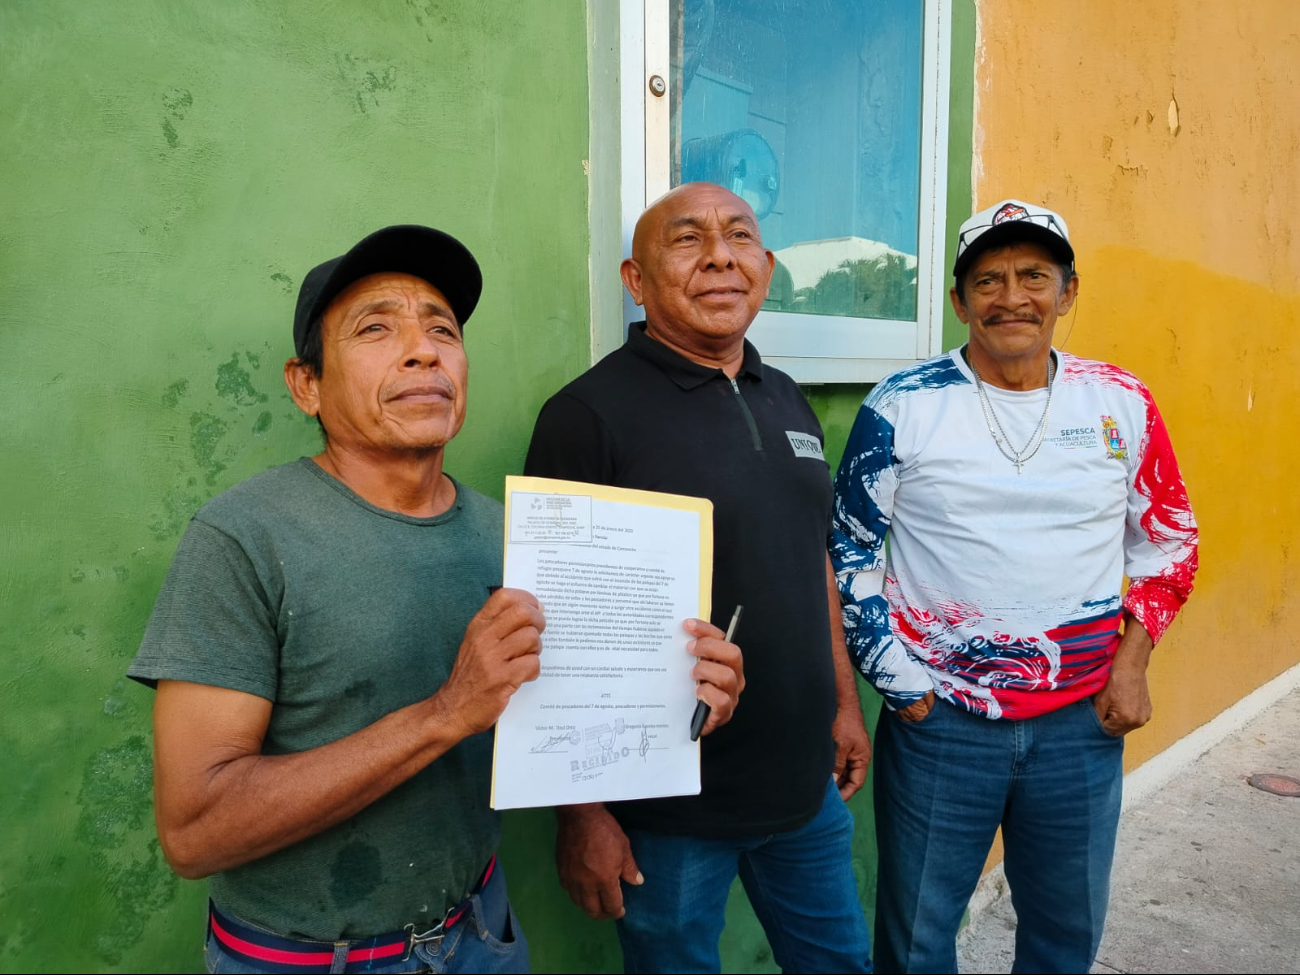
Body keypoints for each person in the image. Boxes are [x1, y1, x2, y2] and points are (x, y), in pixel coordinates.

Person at [129, 225, 550, 974]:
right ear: (307, 385)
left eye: (442, 329)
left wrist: (676, 698)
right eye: (376, 328)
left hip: (481, 928)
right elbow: (194, 831)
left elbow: (556, 722)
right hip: (312, 959)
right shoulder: (243, 537)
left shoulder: (512, 534)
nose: (424, 350)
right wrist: (445, 712)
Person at [832, 199, 1199, 973]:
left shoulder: (1120, 402)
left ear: (1067, 293)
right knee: (916, 942)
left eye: (1034, 275)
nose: (1012, 297)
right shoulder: (903, 404)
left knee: (1066, 936)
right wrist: (904, 688)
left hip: (1081, 724)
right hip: (943, 726)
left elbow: (1170, 542)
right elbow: (849, 555)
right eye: (988, 279)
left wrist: (1131, 664)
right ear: (960, 301)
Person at [524, 182, 874, 974]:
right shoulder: (587, 415)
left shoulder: (785, 396)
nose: (719, 254)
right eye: (688, 240)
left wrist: (844, 705)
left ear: (767, 266)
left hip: (804, 788)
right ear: (636, 282)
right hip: (666, 807)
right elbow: (550, 624)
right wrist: (580, 812)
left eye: (739, 236)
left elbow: (808, 555)